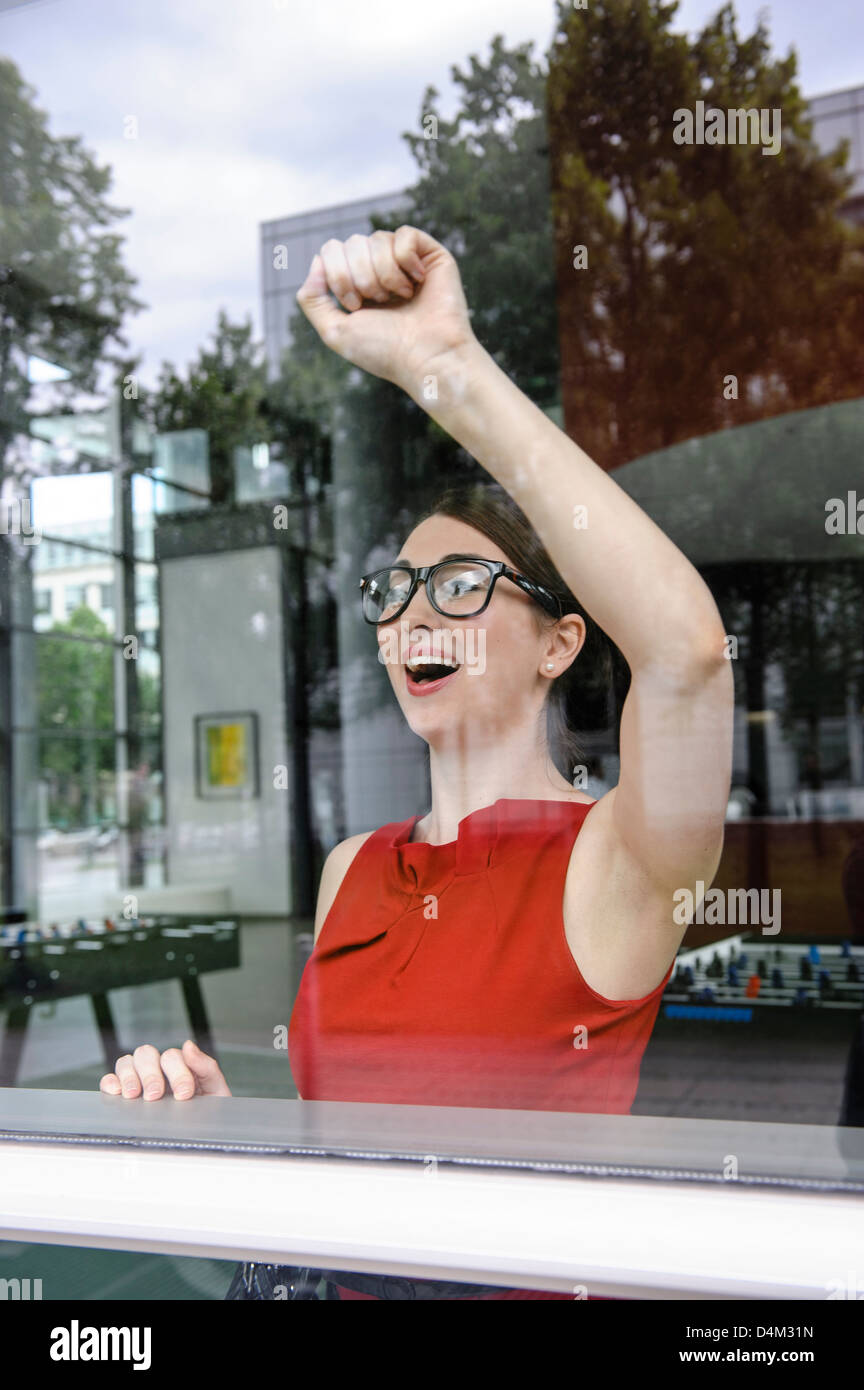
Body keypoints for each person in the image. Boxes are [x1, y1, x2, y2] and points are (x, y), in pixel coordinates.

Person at [99, 226, 735, 1299]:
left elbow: (686, 652)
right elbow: (344, 1173)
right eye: (395, 593)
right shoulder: (355, 864)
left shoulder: (612, 859)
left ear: (559, 642)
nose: (412, 619)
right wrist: (218, 1126)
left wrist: (446, 372)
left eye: (459, 588)